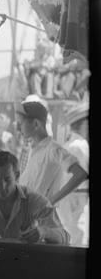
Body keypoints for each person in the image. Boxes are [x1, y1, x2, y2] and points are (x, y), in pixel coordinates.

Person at [0, 150, 69, 244]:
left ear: (17, 175)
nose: (2, 186)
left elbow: (64, 236)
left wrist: (44, 232)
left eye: (7, 179)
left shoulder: (32, 199)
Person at [16, 96, 88, 207]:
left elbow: (80, 174)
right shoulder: (33, 149)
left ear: (36, 124)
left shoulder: (53, 149)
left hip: (42, 215)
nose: (18, 128)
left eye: (20, 123)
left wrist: (51, 201)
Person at [56, 103, 89, 245]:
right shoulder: (78, 145)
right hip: (75, 197)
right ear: (83, 124)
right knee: (76, 235)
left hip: (75, 197)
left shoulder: (75, 144)